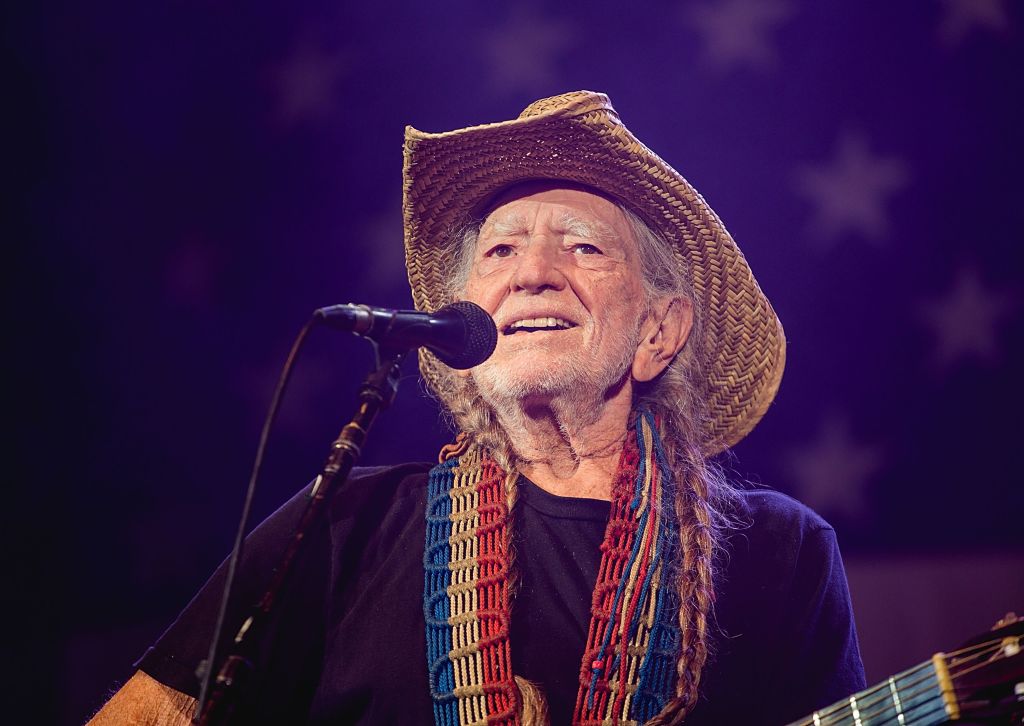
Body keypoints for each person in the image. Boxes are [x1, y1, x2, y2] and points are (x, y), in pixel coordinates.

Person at [89, 91, 865, 725]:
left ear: (658, 333)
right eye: (499, 251)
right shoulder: (344, 526)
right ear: (464, 323)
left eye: (583, 247)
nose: (532, 272)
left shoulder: (779, 553)